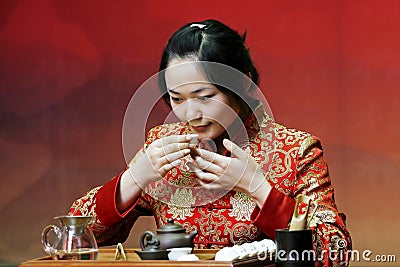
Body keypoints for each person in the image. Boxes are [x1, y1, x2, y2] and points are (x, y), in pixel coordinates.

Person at [68, 19, 351, 266]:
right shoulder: (164, 146)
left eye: (204, 96)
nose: (191, 114)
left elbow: (335, 253)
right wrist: (135, 177)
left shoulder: (296, 151)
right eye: (177, 99)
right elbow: (75, 238)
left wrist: (258, 188)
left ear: (244, 84)